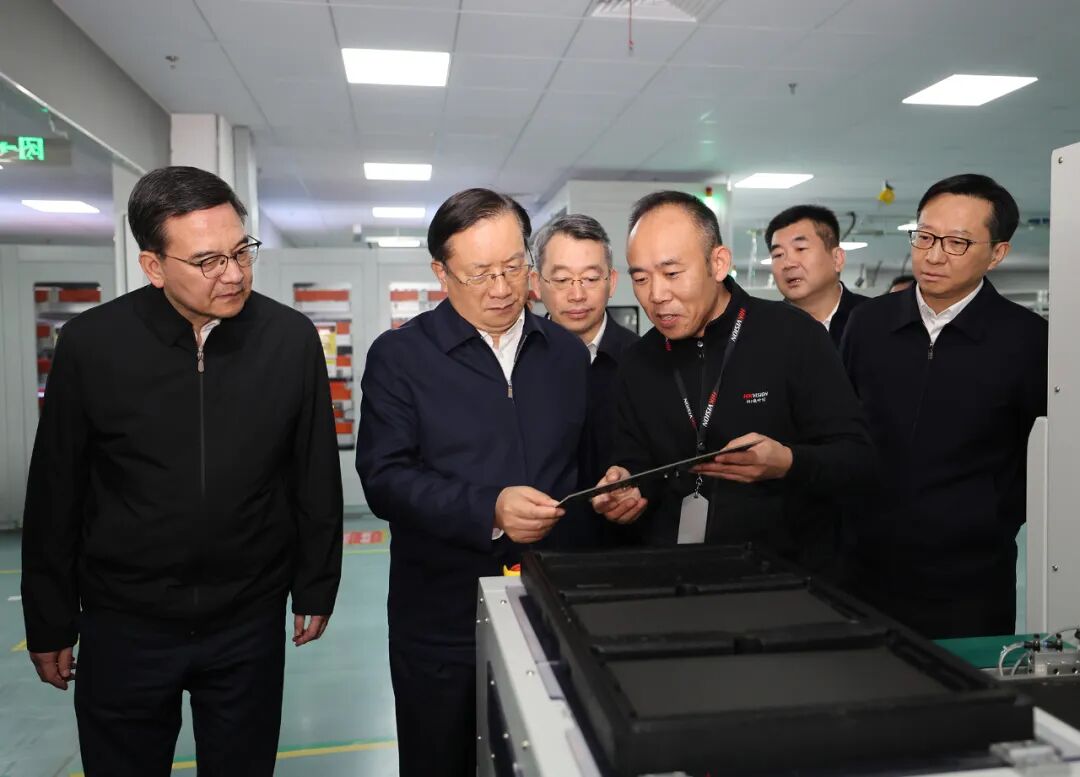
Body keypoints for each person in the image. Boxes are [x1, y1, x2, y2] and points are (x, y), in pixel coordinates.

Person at [21, 166, 343, 776]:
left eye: (241, 251)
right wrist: (49, 619)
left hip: (247, 620)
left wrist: (316, 582)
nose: (234, 274)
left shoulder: (289, 340)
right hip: (125, 624)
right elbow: (56, 490)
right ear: (153, 266)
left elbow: (312, 472)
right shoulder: (91, 345)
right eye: (207, 261)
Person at [356, 188, 588, 777]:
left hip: (551, 607)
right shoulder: (401, 357)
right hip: (442, 619)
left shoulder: (564, 354)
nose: (502, 288)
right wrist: (490, 509)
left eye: (513, 267)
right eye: (480, 273)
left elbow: (584, 460)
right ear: (441, 273)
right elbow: (385, 478)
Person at [593, 191, 873, 579]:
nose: (656, 296)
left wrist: (787, 462)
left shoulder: (793, 335)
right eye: (641, 278)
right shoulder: (638, 360)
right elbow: (635, 459)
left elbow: (857, 459)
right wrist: (626, 485)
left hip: (784, 577)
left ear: (718, 263)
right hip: (675, 577)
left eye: (672, 274)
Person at [841, 173, 1048, 639]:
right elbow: (843, 427)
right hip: (862, 565)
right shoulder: (867, 324)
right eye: (925, 237)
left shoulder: (1027, 340)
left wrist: (988, 519)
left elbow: (1035, 454)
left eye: (957, 243)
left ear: (997, 253)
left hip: (971, 577)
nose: (934, 256)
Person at [532, 214, 639, 546]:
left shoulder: (645, 360)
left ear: (612, 281)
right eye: (562, 279)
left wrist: (636, 484)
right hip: (536, 547)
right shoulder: (513, 363)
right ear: (536, 283)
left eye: (591, 278)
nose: (577, 294)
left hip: (625, 545)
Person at [766, 204, 870, 346]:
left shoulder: (876, 319)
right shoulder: (762, 330)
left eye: (800, 249)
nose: (788, 263)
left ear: (837, 259)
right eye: (778, 255)